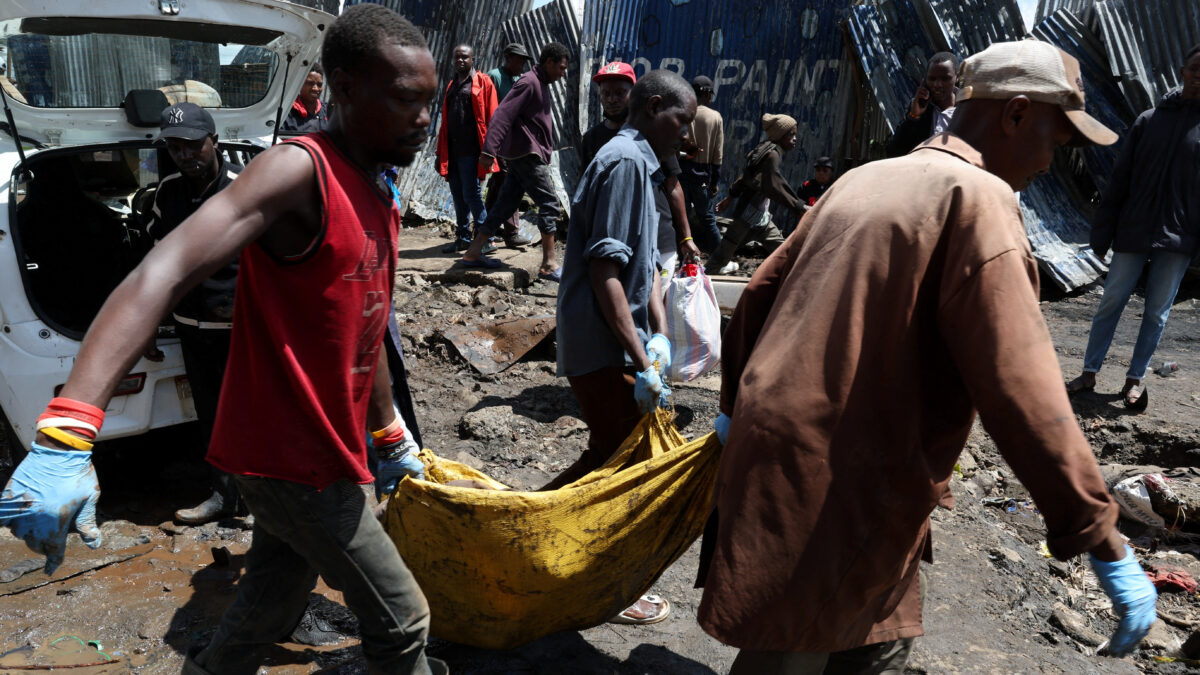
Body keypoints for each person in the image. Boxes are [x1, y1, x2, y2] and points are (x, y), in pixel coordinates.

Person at [0, 5, 447, 673]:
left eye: (430, 102)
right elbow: (163, 270)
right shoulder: (297, 172)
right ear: (346, 88)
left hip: (320, 448)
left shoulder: (375, 186)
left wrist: (386, 431)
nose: (424, 119)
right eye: (406, 100)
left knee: (269, 600)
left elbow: (366, 319)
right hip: (294, 459)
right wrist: (69, 427)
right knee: (403, 619)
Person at [698, 40, 1156, 673]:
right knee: (794, 647)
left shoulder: (866, 177)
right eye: (1058, 138)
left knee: (861, 633)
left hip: (781, 439)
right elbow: (1020, 387)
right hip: (843, 469)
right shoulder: (981, 203)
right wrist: (1098, 532)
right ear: (1016, 114)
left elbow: (755, 298)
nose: (1053, 161)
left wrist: (732, 413)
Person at [551, 69, 697, 624]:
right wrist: (640, 357)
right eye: (681, 121)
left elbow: (647, 270)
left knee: (608, 456)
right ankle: (586, 571)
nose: (687, 134)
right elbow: (605, 271)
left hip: (621, 340)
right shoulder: (623, 163)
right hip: (601, 340)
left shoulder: (645, 166)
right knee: (617, 461)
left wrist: (657, 334)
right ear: (652, 106)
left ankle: (545, 543)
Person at [1064, 44, 1200, 411]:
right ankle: (1089, 371)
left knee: (1157, 311)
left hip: (1178, 237)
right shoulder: (1149, 120)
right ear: (1182, 70)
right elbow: (1120, 179)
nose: (1199, 78)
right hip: (1135, 227)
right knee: (1112, 300)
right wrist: (1103, 230)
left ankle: (1135, 379)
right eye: (1195, 69)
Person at [142, 102, 244, 525]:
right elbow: (154, 261)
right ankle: (224, 496)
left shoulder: (245, 187)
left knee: (250, 416)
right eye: (175, 148)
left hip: (241, 327)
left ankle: (262, 502)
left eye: (193, 146)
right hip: (191, 325)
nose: (185, 155)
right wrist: (148, 323)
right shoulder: (168, 192)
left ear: (214, 141)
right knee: (211, 415)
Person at [459, 42, 570, 280]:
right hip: (526, 154)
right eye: (561, 67)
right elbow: (503, 113)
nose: (563, 73)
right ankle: (549, 264)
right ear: (549, 62)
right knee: (550, 204)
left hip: (524, 154)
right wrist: (489, 150)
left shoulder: (539, 83)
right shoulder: (529, 82)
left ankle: (473, 252)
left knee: (504, 205)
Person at [705, 114, 802, 276]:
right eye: (791, 134)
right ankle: (699, 282)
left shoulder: (765, 149)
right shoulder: (772, 154)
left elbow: (746, 177)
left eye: (795, 134)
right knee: (722, 255)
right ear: (780, 134)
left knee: (784, 251)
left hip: (760, 216)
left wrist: (730, 197)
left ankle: (791, 282)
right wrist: (799, 206)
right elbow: (774, 183)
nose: (794, 139)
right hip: (748, 216)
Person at [435, 44, 499, 254]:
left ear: (473, 59)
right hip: (453, 150)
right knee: (457, 194)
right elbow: (445, 123)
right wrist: (439, 153)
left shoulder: (483, 82)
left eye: (465, 57)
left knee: (472, 194)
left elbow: (493, 117)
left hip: (473, 151)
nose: (460, 60)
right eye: (457, 57)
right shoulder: (452, 85)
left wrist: (490, 150)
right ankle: (462, 238)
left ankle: (485, 239)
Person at [482, 42, 534, 248]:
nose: (521, 63)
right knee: (506, 183)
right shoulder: (494, 77)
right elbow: (486, 109)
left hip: (514, 142)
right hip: (497, 140)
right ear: (507, 57)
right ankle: (507, 232)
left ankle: (488, 227)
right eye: (518, 59)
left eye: (523, 60)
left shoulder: (519, 79)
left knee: (503, 184)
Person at [679, 75, 724, 253]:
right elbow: (717, 155)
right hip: (702, 175)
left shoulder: (683, 114)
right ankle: (719, 259)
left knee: (681, 218)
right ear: (708, 95)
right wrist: (715, 182)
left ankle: (681, 257)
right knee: (707, 218)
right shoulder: (715, 117)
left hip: (681, 171)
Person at [886, 52, 959, 158]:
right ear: (925, 80)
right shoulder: (919, 108)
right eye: (932, 79)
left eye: (945, 79)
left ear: (957, 77)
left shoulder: (966, 109)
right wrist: (914, 116)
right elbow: (894, 152)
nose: (937, 85)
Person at [579, 61, 636, 169]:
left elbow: (672, 183)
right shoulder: (591, 138)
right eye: (606, 93)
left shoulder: (647, 133)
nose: (612, 100)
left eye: (620, 93)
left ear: (633, 93)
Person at [280, 64, 328, 133]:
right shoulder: (286, 113)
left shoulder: (328, 111)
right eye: (310, 83)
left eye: (319, 85)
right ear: (300, 84)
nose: (315, 88)